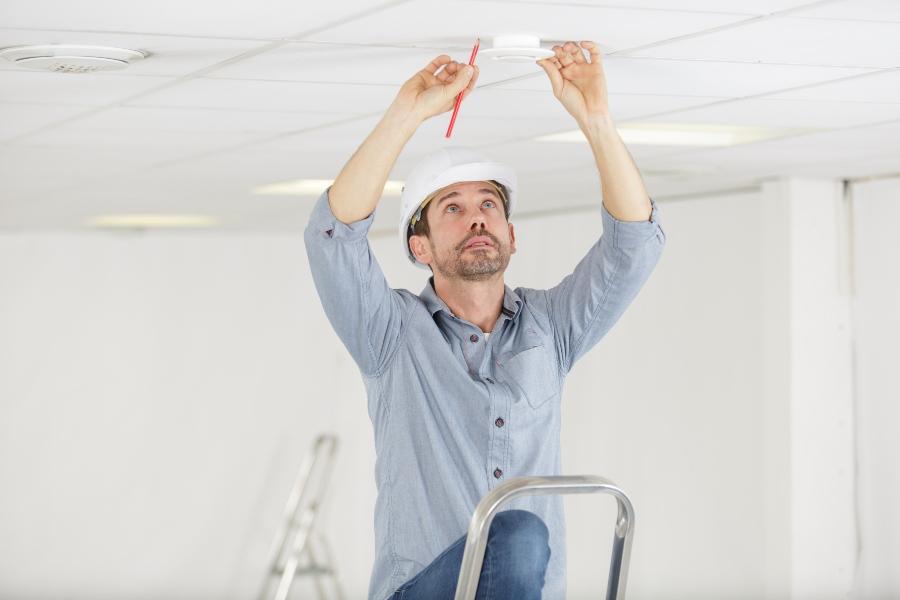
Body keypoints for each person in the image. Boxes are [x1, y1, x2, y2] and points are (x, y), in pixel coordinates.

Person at [304, 40, 665, 600]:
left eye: (488, 206)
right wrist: (408, 112)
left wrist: (596, 120)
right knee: (515, 529)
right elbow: (332, 238)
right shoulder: (390, 335)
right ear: (419, 247)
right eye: (453, 208)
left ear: (511, 236)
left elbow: (634, 249)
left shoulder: (551, 329)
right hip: (423, 588)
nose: (476, 219)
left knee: (519, 535)